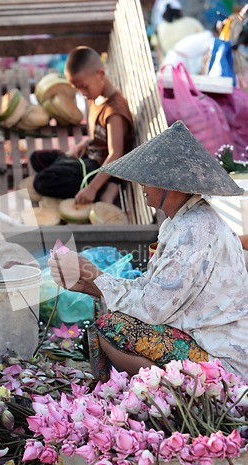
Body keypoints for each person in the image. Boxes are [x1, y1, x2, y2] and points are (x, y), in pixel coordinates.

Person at [49, 121, 248, 382]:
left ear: (170, 185)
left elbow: (154, 309)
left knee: (113, 329)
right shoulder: (180, 221)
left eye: (149, 180)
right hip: (207, 335)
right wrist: (93, 283)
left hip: (222, 356)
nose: (142, 185)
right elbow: (153, 288)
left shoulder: (193, 230)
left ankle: (183, 391)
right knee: (112, 316)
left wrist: (95, 278)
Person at [31, 46, 134, 205]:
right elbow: (101, 137)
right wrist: (86, 143)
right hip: (90, 156)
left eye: (84, 87)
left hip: (100, 170)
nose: (83, 93)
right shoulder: (96, 96)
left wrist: (92, 188)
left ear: (100, 74)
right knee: (36, 159)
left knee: (41, 182)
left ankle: (104, 189)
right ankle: (65, 168)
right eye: (78, 89)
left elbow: (115, 156)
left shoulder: (114, 113)